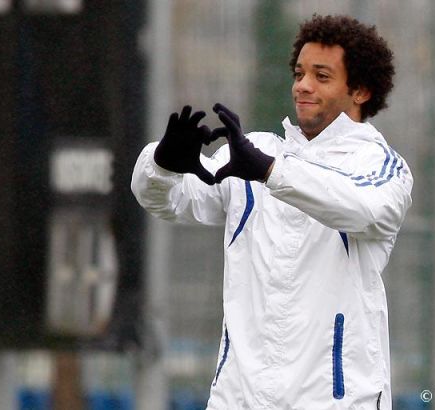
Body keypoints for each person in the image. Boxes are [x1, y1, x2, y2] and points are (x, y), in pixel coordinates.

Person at [131, 14, 413, 410]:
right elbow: (169, 201)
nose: (303, 85)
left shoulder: (380, 165)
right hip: (237, 400)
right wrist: (162, 164)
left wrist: (271, 172)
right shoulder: (256, 151)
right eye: (299, 73)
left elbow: (366, 209)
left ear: (361, 91)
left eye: (322, 76)